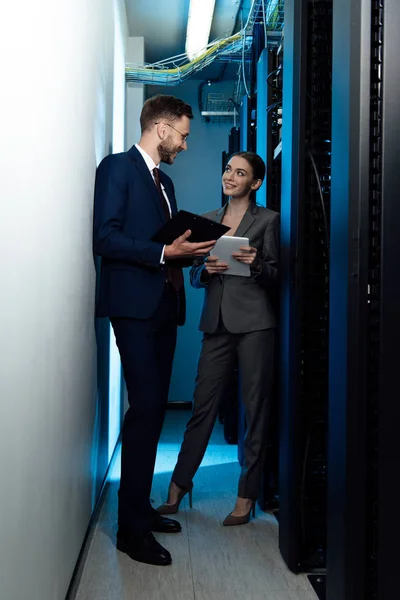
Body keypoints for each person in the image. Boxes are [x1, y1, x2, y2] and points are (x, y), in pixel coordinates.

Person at [93, 95, 215, 566]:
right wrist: (166, 255)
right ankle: (130, 531)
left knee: (154, 411)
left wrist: (192, 250)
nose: (184, 144)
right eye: (183, 135)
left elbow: (168, 243)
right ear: (160, 129)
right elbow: (105, 236)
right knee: (144, 411)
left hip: (165, 306)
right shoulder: (117, 168)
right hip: (135, 309)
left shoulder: (164, 182)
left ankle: (140, 510)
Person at [157, 151, 279, 525]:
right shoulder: (206, 221)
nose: (229, 176)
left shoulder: (268, 221)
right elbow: (192, 277)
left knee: (255, 410)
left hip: (256, 324)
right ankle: (179, 484)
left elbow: (277, 274)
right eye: (227, 169)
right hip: (216, 324)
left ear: (254, 183)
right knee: (202, 408)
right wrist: (206, 270)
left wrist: (256, 263)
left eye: (239, 173)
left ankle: (247, 495)